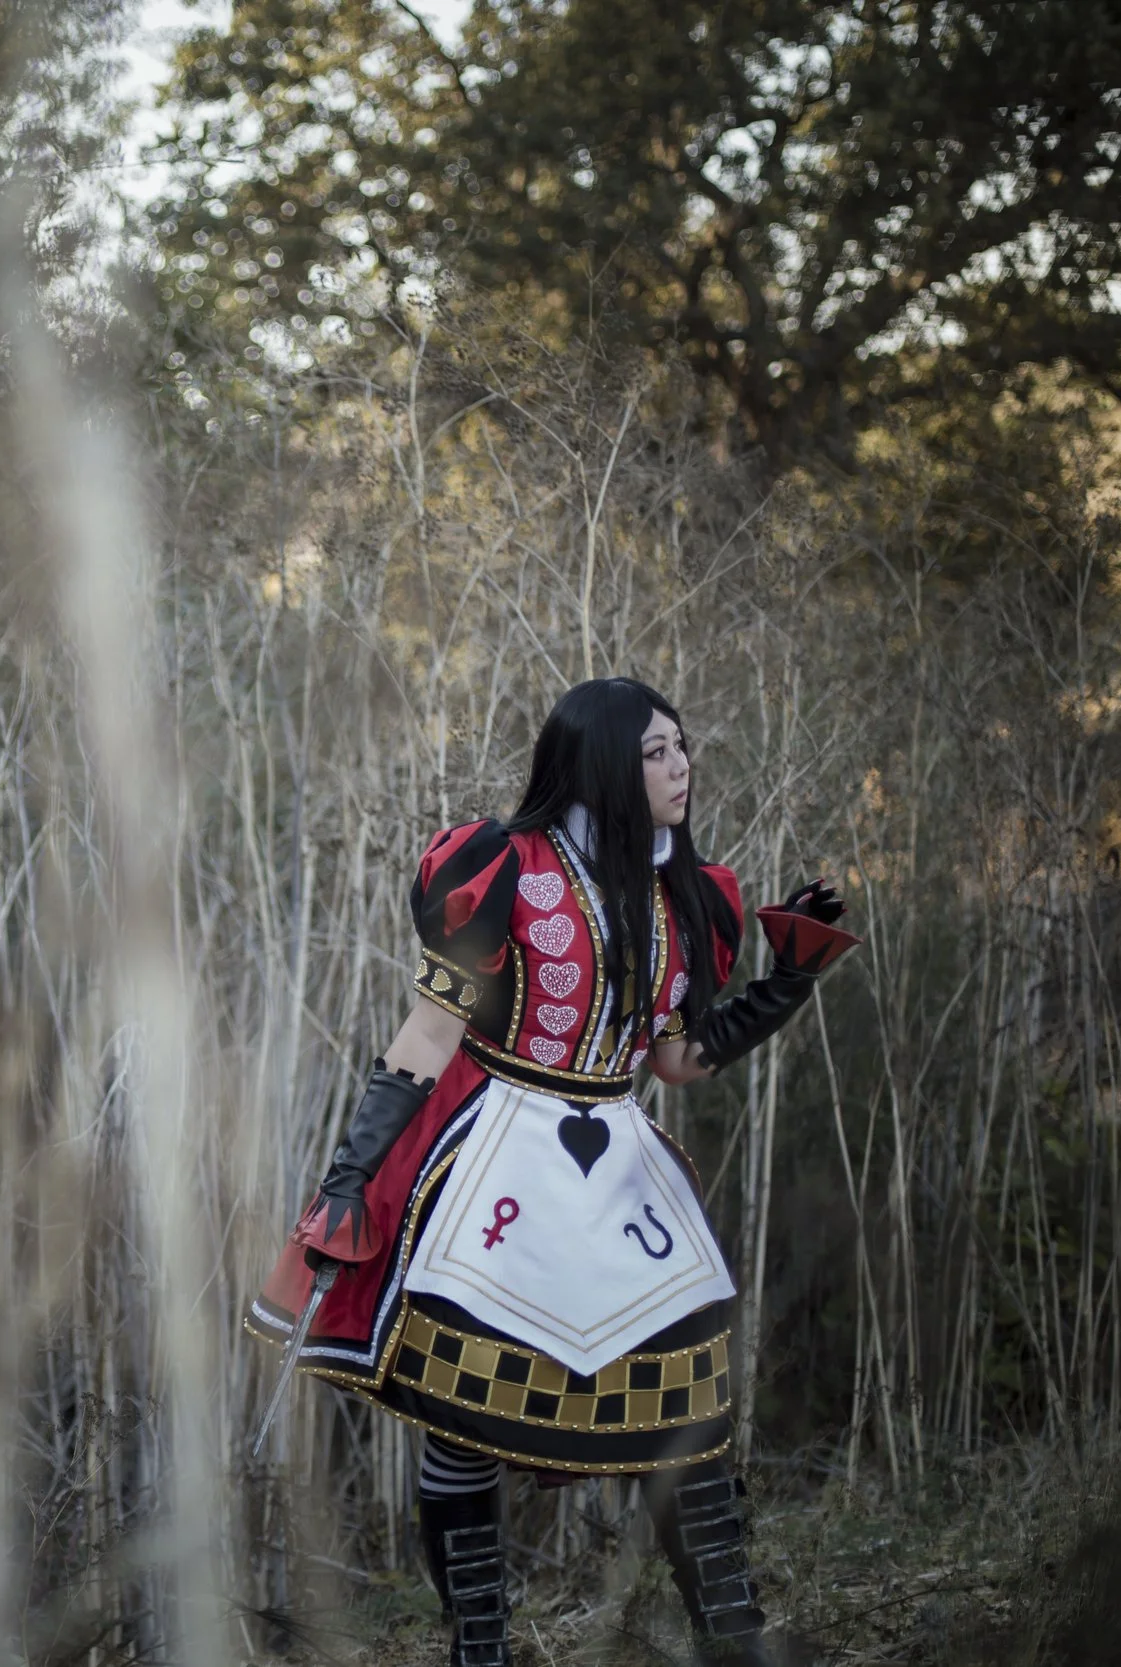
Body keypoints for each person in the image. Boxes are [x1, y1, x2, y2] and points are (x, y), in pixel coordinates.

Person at [249, 678, 859, 1667]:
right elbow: (431, 1028)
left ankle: (733, 1637)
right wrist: (349, 1176)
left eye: (681, 747)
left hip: (620, 1166)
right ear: (606, 764)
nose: (680, 767)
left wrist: (784, 982)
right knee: (469, 1412)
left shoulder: (682, 894)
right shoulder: (498, 869)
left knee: (683, 1401)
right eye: (656, 752)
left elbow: (672, 1060)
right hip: (499, 1155)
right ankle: (479, 1647)